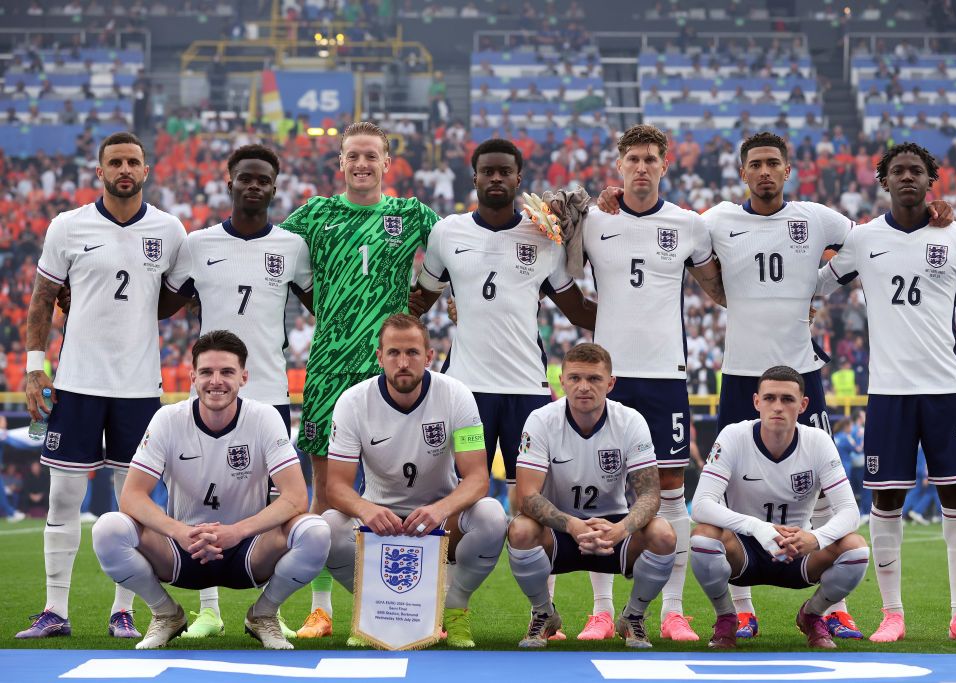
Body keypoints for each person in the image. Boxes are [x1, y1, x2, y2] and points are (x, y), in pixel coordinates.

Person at [597, 130, 951, 639]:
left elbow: (873, 241)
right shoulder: (715, 220)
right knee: (734, 487)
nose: (764, 171)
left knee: (829, 495)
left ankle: (833, 606)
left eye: (773, 163)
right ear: (742, 172)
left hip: (800, 372)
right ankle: (742, 609)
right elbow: (654, 221)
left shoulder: (818, 218)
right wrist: (612, 196)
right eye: (755, 164)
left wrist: (822, 285)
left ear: (788, 170)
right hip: (741, 374)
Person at [818, 142, 956, 644]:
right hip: (888, 393)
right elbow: (818, 287)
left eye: (916, 171)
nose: (907, 177)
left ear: (931, 180)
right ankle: (892, 613)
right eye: (897, 171)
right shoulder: (863, 239)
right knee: (886, 501)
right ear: (883, 181)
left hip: (948, 389)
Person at [16, 132, 187, 640]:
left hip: (139, 389)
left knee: (132, 502)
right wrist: (33, 367)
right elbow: (43, 297)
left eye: (133, 161)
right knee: (64, 497)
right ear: (100, 170)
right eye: (115, 162)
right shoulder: (68, 226)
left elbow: (173, 297)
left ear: (146, 169)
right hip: (77, 383)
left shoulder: (170, 229)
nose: (124, 169)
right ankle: (54, 610)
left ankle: (123, 611)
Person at [278, 121, 441, 638]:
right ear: (340, 163)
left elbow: (459, 250)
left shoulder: (410, 213)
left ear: (387, 163)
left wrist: (442, 298)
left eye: (372, 156)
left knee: (395, 486)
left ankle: (419, 605)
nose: (362, 164)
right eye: (353, 156)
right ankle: (322, 609)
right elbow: (266, 254)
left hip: (389, 366)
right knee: (327, 494)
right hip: (328, 365)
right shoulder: (315, 214)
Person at [159, 144, 314, 638]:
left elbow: (323, 305)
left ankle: (267, 610)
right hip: (212, 389)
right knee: (204, 497)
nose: (254, 186)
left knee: (274, 499)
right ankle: (207, 608)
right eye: (245, 178)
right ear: (229, 182)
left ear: (274, 186)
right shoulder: (197, 243)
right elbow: (163, 303)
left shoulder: (292, 246)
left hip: (269, 391)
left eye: (263, 179)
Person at [90, 331, 329, 650]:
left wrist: (237, 531)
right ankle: (165, 613)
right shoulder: (168, 419)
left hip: (249, 550)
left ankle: (264, 613)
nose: (216, 381)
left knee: (316, 531)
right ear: (192, 376)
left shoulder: (264, 417)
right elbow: (132, 495)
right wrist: (179, 531)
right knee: (107, 528)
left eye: (227, 372)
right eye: (206, 372)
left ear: (244, 377)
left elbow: (296, 497)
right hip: (181, 552)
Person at [578, 124, 725, 642]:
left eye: (650, 159)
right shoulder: (593, 220)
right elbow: (555, 270)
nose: (641, 167)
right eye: (632, 159)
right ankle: (600, 611)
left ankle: (673, 610)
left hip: (666, 374)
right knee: (602, 491)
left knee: (670, 494)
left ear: (666, 165)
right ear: (619, 165)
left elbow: (718, 290)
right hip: (607, 376)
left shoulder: (689, 225)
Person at [412, 137, 596, 507]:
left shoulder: (544, 236)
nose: (496, 178)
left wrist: (635, 307)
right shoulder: (447, 232)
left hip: (526, 389)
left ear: (519, 179)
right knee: (458, 495)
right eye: (487, 172)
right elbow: (419, 301)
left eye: (505, 172)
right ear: (475, 178)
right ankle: (455, 567)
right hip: (466, 391)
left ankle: (538, 566)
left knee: (533, 501)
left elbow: (577, 311)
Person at [321, 314, 506, 648]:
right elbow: (335, 486)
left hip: (442, 519)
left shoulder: (456, 395)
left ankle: (454, 607)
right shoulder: (352, 401)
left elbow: (478, 478)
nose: (402, 362)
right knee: (329, 527)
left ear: (429, 356)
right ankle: (372, 613)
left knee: (492, 517)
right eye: (393, 353)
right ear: (379, 356)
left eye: (412, 352)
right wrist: (366, 510)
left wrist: (439, 510)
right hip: (380, 520)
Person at [507, 342, 675, 649]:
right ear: (562, 380)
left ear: (610, 383)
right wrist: (572, 524)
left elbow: (650, 495)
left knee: (663, 534)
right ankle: (544, 614)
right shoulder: (541, 420)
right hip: (561, 528)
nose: (584, 387)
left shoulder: (631, 421)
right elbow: (526, 495)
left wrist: (621, 529)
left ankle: (633, 616)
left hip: (613, 529)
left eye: (595, 379)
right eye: (575, 378)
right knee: (520, 530)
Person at [689, 366, 869, 649]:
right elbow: (700, 505)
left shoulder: (818, 441)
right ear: (756, 402)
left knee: (856, 548)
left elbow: (849, 511)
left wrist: (815, 538)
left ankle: (811, 615)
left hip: (797, 551)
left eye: (787, 399)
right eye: (770, 398)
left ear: (803, 405)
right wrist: (758, 528)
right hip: (745, 551)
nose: (777, 406)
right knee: (703, 536)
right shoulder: (733, 436)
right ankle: (727, 617)